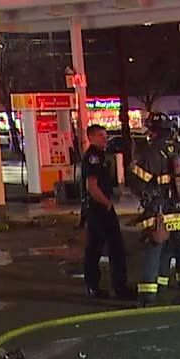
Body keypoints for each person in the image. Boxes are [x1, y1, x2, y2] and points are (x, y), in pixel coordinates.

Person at [129, 113, 180, 308]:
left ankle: (147, 296)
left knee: (153, 250)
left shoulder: (151, 152)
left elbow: (137, 182)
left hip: (160, 213)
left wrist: (148, 195)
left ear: (153, 131)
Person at [80, 124, 132, 300]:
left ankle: (95, 286)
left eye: (105, 135)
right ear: (92, 137)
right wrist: (106, 203)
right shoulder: (93, 157)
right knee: (112, 247)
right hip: (99, 208)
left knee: (96, 248)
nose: (105, 138)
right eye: (101, 136)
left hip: (98, 208)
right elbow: (92, 186)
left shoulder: (99, 155)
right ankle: (117, 287)